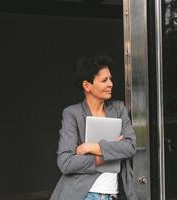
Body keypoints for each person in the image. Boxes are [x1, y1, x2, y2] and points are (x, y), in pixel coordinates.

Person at [50, 55, 138, 200]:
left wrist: (90, 147)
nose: (111, 84)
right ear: (87, 86)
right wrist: (109, 153)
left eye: (110, 79)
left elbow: (130, 146)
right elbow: (65, 162)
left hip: (114, 195)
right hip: (84, 195)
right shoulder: (72, 114)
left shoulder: (118, 108)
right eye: (104, 80)